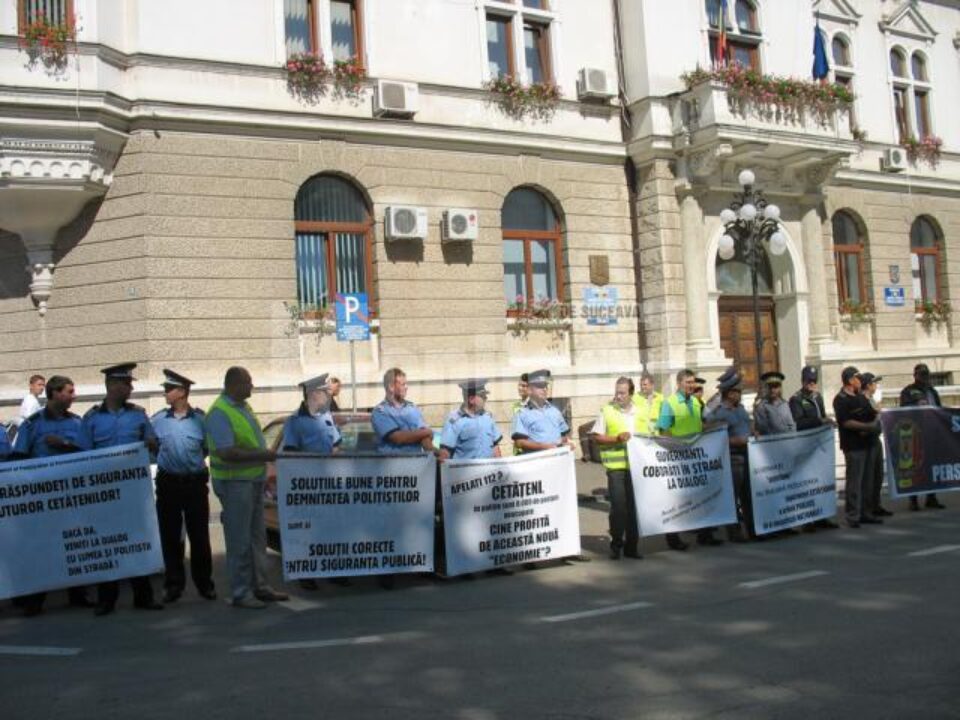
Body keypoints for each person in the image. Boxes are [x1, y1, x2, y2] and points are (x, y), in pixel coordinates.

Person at [78, 363, 163, 616]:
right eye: (126, 384)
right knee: (108, 543)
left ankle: (143, 596)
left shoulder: (138, 415)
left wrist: (151, 444)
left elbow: (155, 445)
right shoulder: (92, 418)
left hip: (134, 492)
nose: (131, 387)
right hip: (104, 493)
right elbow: (83, 457)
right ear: (113, 386)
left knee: (138, 542)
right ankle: (107, 599)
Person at [205, 366, 289, 609]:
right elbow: (226, 452)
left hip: (251, 481)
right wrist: (262, 454)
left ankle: (261, 587)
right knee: (239, 540)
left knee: (256, 538)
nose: (252, 386)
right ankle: (242, 592)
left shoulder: (243, 407)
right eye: (248, 382)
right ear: (233, 384)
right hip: (234, 483)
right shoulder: (219, 413)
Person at [10, 375, 92, 616]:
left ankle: (78, 594)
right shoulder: (33, 424)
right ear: (55, 393)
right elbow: (18, 458)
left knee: (74, 543)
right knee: (41, 549)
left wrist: (64, 442)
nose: (73, 396)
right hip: (42, 499)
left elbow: (88, 452)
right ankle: (35, 599)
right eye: (69, 391)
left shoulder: (78, 423)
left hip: (71, 496)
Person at [150, 369, 215, 604]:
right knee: (170, 537)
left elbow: (206, 449)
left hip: (194, 485)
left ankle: (205, 584)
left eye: (170, 389)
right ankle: (173, 585)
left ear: (183, 392)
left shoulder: (201, 420)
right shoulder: (157, 420)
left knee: (199, 536)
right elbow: (152, 448)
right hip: (168, 485)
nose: (165, 393)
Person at [656, 368, 721, 549]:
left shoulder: (695, 402)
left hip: (696, 455)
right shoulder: (669, 403)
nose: (691, 386)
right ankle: (673, 537)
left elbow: (701, 425)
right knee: (677, 499)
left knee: (701, 495)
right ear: (679, 384)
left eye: (693, 382)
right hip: (678, 456)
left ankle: (704, 533)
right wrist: (677, 447)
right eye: (688, 383)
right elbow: (664, 430)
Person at [590, 377, 645, 560]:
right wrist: (616, 439)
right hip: (616, 468)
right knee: (619, 507)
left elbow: (650, 435)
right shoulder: (607, 411)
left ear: (631, 393)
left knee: (633, 508)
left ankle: (632, 546)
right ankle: (616, 544)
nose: (618, 396)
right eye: (617, 392)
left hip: (637, 467)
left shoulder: (640, 411)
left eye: (622, 393)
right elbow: (597, 437)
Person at [704, 372, 753, 541]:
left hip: (750, 456)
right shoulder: (718, 413)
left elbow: (747, 425)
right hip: (733, 459)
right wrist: (733, 440)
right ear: (730, 393)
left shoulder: (741, 409)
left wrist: (754, 431)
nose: (739, 394)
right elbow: (710, 433)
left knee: (749, 495)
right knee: (733, 497)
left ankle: (753, 529)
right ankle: (734, 531)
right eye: (737, 391)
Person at [789, 365, 839, 530]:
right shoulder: (796, 399)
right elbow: (799, 423)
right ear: (803, 381)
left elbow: (822, 416)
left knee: (820, 482)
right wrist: (819, 421)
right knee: (806, 484)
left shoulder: (818, 397)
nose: (812, 384)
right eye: (809, 381)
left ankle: (821, 516)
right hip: (805, 446)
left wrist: (827, 422)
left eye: (814, 381)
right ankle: (807, 519)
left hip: (819, 447)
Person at [832, 366, 882, 529]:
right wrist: (866, 427)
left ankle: (866, 513)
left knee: (868, 481)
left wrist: (875, 417)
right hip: (853, 446)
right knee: (854, 481)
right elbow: (846, 422)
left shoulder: (859, 397)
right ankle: (853, 515)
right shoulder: (840, 399)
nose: (860, 381)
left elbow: (873, 411)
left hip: (867, 443)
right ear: (850, 380)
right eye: (857, 378)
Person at [899, 363, 947, 511]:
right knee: (914, 467)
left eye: (926, 375)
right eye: (921, 375)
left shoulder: (932, 391)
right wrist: (916, 404)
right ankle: (913, 500)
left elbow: (939, 409)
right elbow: (902, 410)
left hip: (931, 433)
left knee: (931, 465)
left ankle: (931, 497)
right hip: (915, 434)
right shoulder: (908, 391)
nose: (924, 378)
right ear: (915, 376)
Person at [439, 379, 502, 461]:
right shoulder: (454, 421)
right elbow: (445, 453)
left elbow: (495, 447)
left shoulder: (488, 417)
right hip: (466, 472)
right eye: (482, 396)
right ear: (471, 399)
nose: (486, 398)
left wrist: (501, 466)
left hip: (489, 472)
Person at [859, 373, 892, 519]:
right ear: (867, 385)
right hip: (867, 441)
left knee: (878, 475)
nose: (876, 386)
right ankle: (866, 509)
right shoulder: (862, 400)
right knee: (869, 477)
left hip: (875, 439)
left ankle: (876, 504)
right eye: (874, 383)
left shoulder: (872, 399)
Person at [282, 374, 341, 454]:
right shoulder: (294, 421)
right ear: (315, 394)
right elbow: (291, 454)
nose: (327, 396)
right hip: (307, 466)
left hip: (328, 466)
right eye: (324, 392)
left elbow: (336, 446)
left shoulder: (326, 416)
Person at [754, 371, 796, 437]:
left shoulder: (785, 404)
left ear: (780, 388)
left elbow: (791, 425)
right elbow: (763, 430)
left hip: (788, 442)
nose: (772, 390)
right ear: (766, 388)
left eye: (775, 387)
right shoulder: (761, 407)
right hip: (772, 443)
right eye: (770, 387)